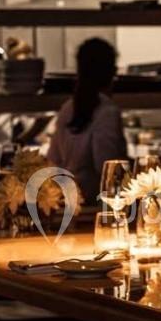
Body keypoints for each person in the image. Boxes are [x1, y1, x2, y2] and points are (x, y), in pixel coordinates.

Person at [47, 38, 128, 203]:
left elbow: (53, 161)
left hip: (68, 203)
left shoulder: (68, 107)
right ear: (112, 72)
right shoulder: (107, 111)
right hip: (95, 206)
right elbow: (109, 170)